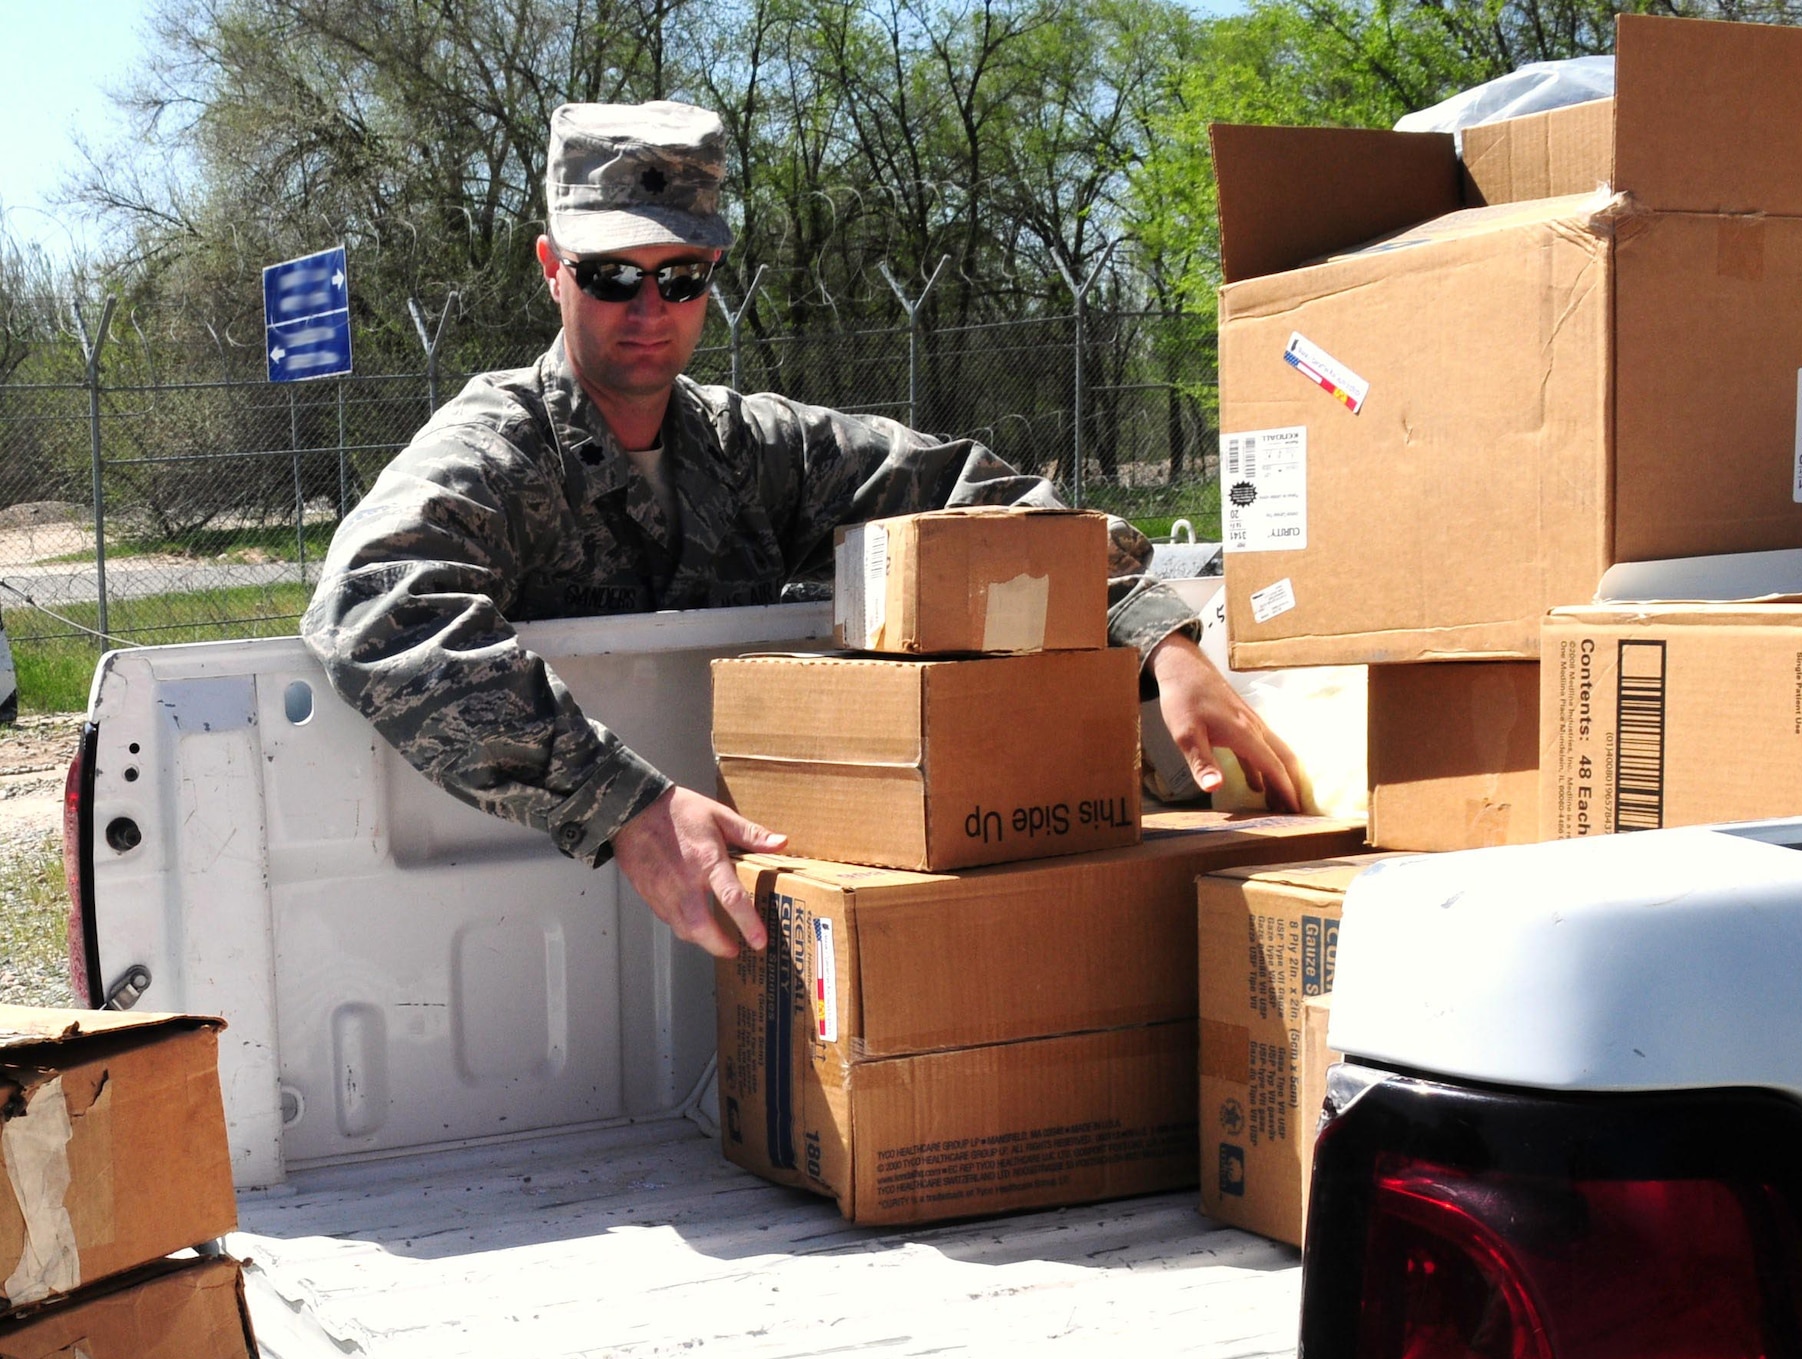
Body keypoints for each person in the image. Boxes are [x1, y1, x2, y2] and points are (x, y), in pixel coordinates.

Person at [302, 100, 1301, 962]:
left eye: (681, 276)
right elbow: (374, 603)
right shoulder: (499, 447)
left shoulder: (749, 448)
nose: (649, 309)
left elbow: (978, 495)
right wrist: (623, 803)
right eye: (611, 276)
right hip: (526, 947)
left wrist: (1154, 634)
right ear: (551, 269)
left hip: (756, 954)